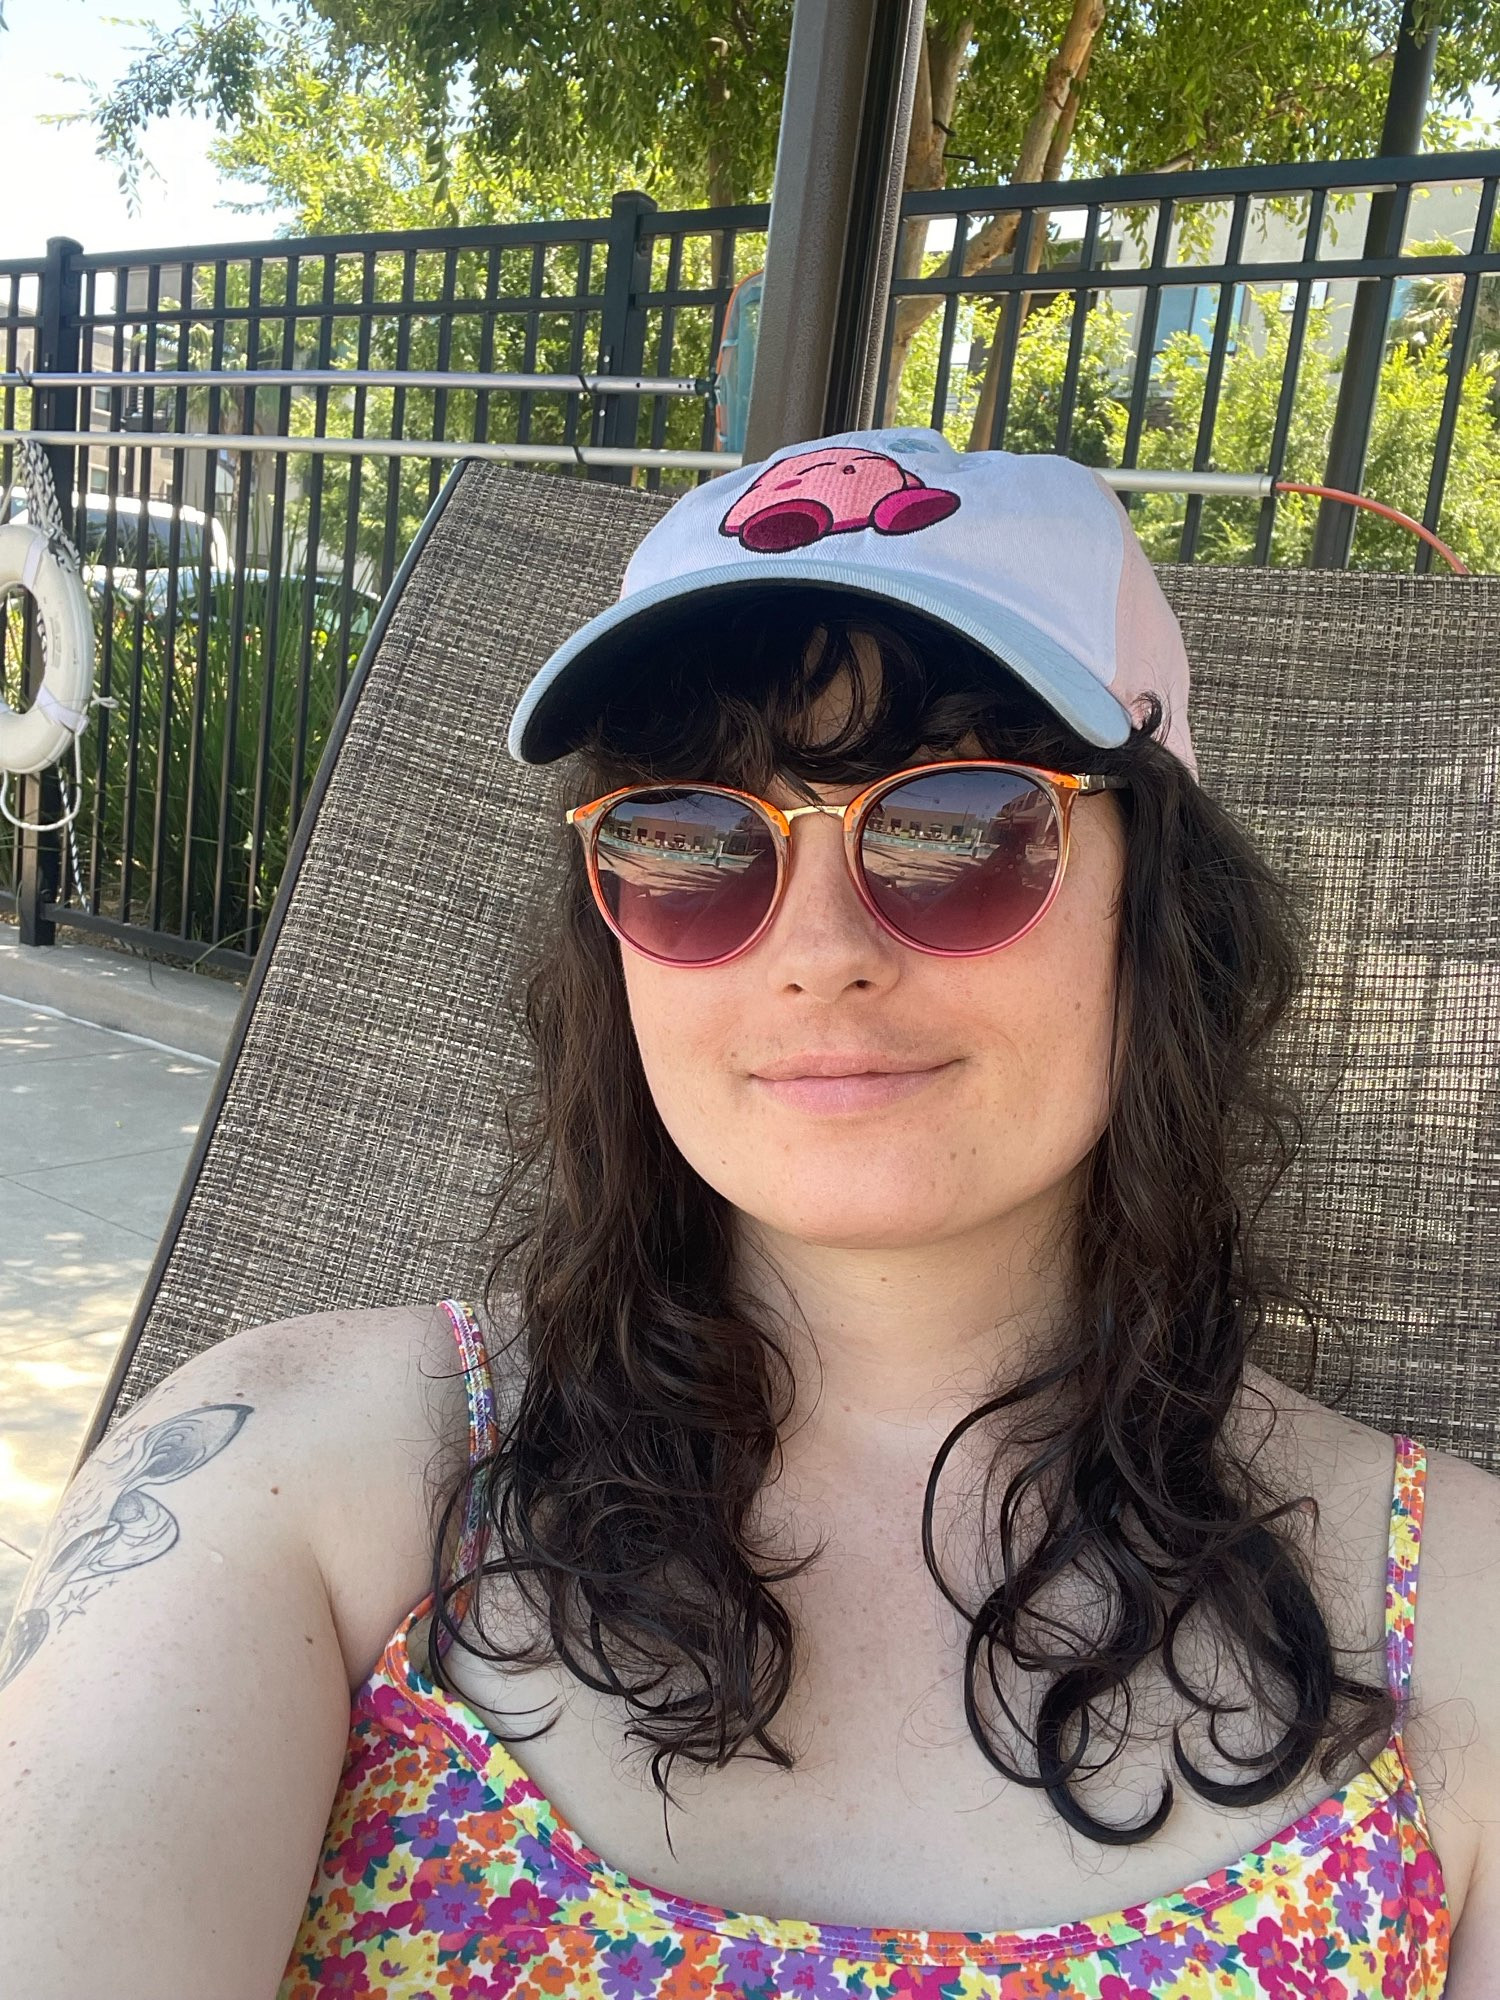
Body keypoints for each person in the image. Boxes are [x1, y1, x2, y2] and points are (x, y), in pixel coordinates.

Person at [0, 427, 1495, 1999]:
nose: (821, 948)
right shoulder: (296, 1478)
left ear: (1160, 910)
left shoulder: (1457, 1619)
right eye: (693, 843)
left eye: (960, 826)